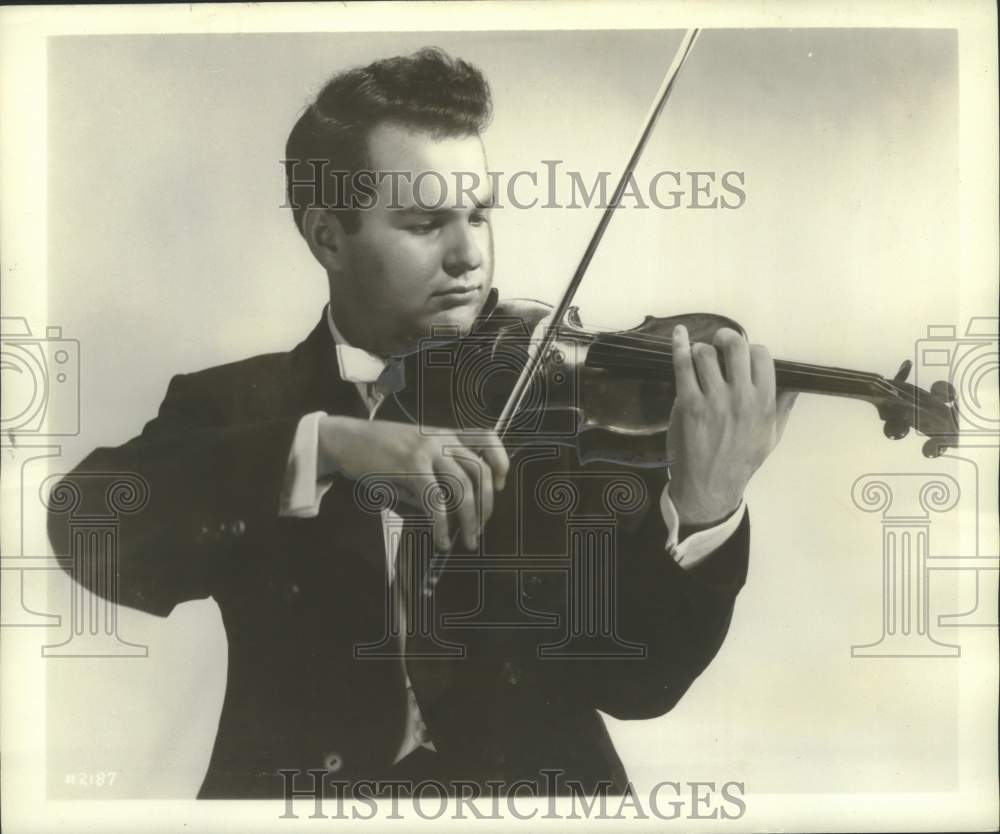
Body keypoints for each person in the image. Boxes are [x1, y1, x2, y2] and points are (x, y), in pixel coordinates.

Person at [47, 47, 795, 800]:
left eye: (478, 215)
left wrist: (705, 506)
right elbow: (88, 528)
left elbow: (640, 682)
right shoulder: (238, 405)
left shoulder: (546, 402)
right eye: (424, 223)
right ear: (327, 236)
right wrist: (335, 444)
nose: (469, 255)